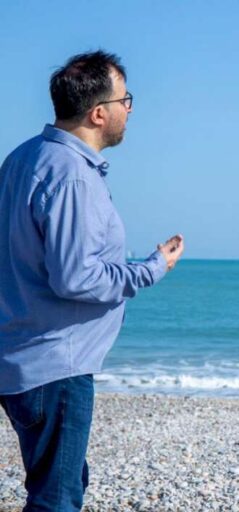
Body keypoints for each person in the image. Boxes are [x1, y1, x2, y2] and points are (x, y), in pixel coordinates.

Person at [0, 50, 184, 511]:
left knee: (59, 486)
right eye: (126, 100)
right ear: (98, 113)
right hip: (54, 364)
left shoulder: (23, 158)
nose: (130, 110)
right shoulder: (72, 177)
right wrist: (152, 268)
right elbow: (75, 277)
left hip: (22, 357)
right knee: (57, 499)